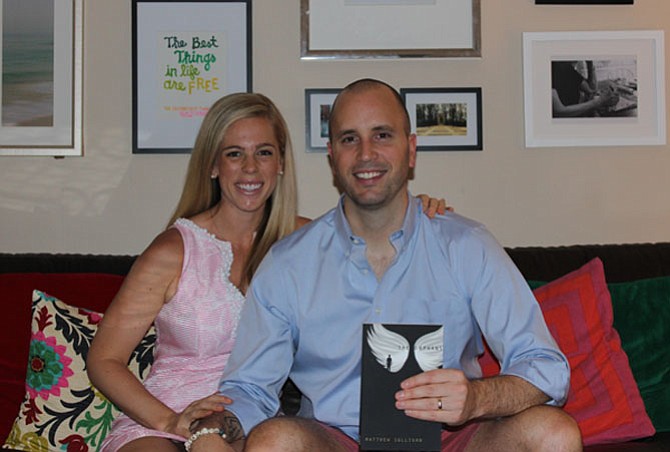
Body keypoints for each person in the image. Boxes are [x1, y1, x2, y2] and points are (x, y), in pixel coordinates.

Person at [189, 79, 582, 452]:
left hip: (452, 438)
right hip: (336, 439)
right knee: (275, 441)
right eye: (349, 139)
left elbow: (546, 366)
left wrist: (479, 398)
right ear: (332, 154)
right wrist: (213, 428)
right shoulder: (289, 263)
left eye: (382, 135)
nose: (365, 154)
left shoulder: (466, 246)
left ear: (410, 149)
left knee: (552, 432)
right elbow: (252, 388)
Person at [87, 92, 447, 452]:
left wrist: (417, 213)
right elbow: (105, 360)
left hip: (251, 425)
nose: (250, 168)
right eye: (234, 154)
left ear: (280, 163)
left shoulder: (308, 242)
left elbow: (380, 244)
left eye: (263, 152)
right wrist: (170, 420)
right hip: (162, 422)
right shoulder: (173, 251)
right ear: (213, 165)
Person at [551, 60, 619, 117]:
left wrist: (590, 65)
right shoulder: (551, 68)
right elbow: (559, 111)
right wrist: (598, 102)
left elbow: (591, 89)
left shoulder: (568, 69)